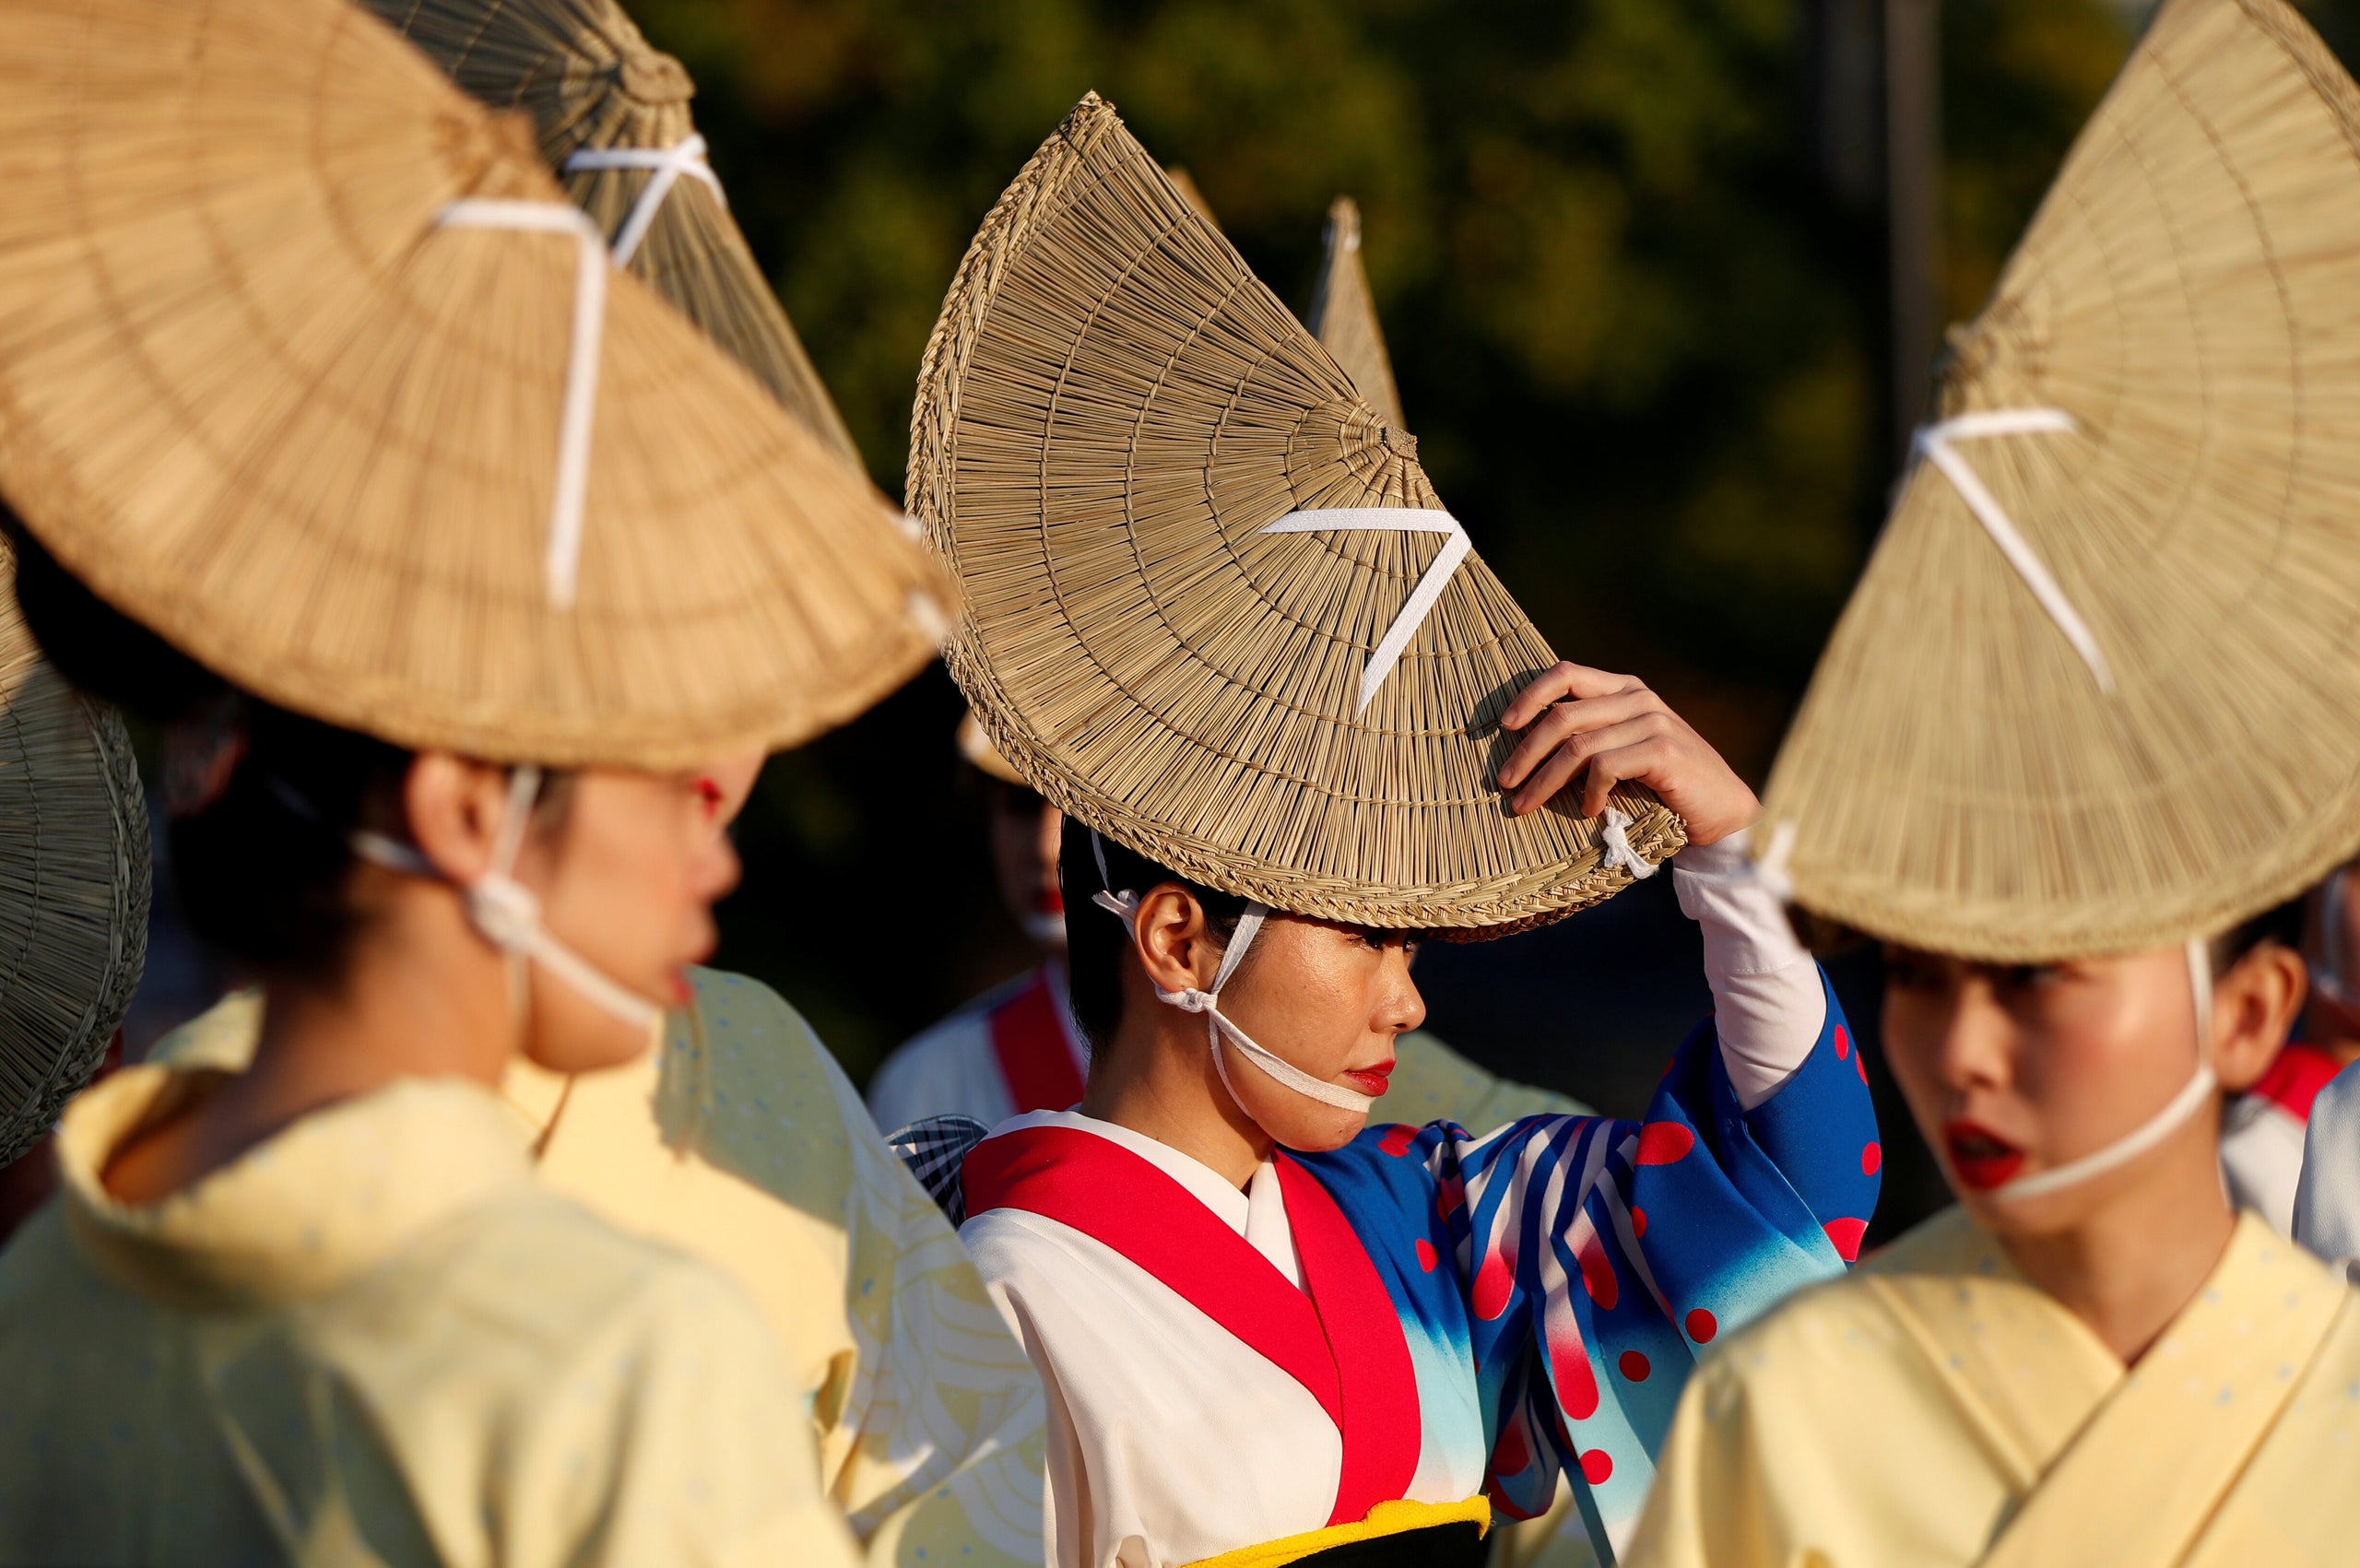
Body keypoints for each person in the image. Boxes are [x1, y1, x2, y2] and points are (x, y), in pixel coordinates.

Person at [0, 0, 942, 1560]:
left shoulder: (46, 1306)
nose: (716, 848)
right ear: (458, 806)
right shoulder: (617, 1366)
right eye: (659, 781)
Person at [906, 96, 1878, 1567]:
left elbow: (1789, 1188)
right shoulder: (996, 1288)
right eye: (1362, 933)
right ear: (1176, 935)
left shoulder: (1418, 1217)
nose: (1409, 996)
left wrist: (1731, 852)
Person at [1624, 5, 2360, 1561]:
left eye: (2032, 979)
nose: (1954, 1051)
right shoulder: (1781, 1408)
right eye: (1915, 972)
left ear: (2247, 1011)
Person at [868, 714, 1595, 1139]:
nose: (1047, 848)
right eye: (1017, 807)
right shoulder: (927, 1081)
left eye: (1079, 813)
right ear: (1171, 939)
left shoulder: (1359, 1072)